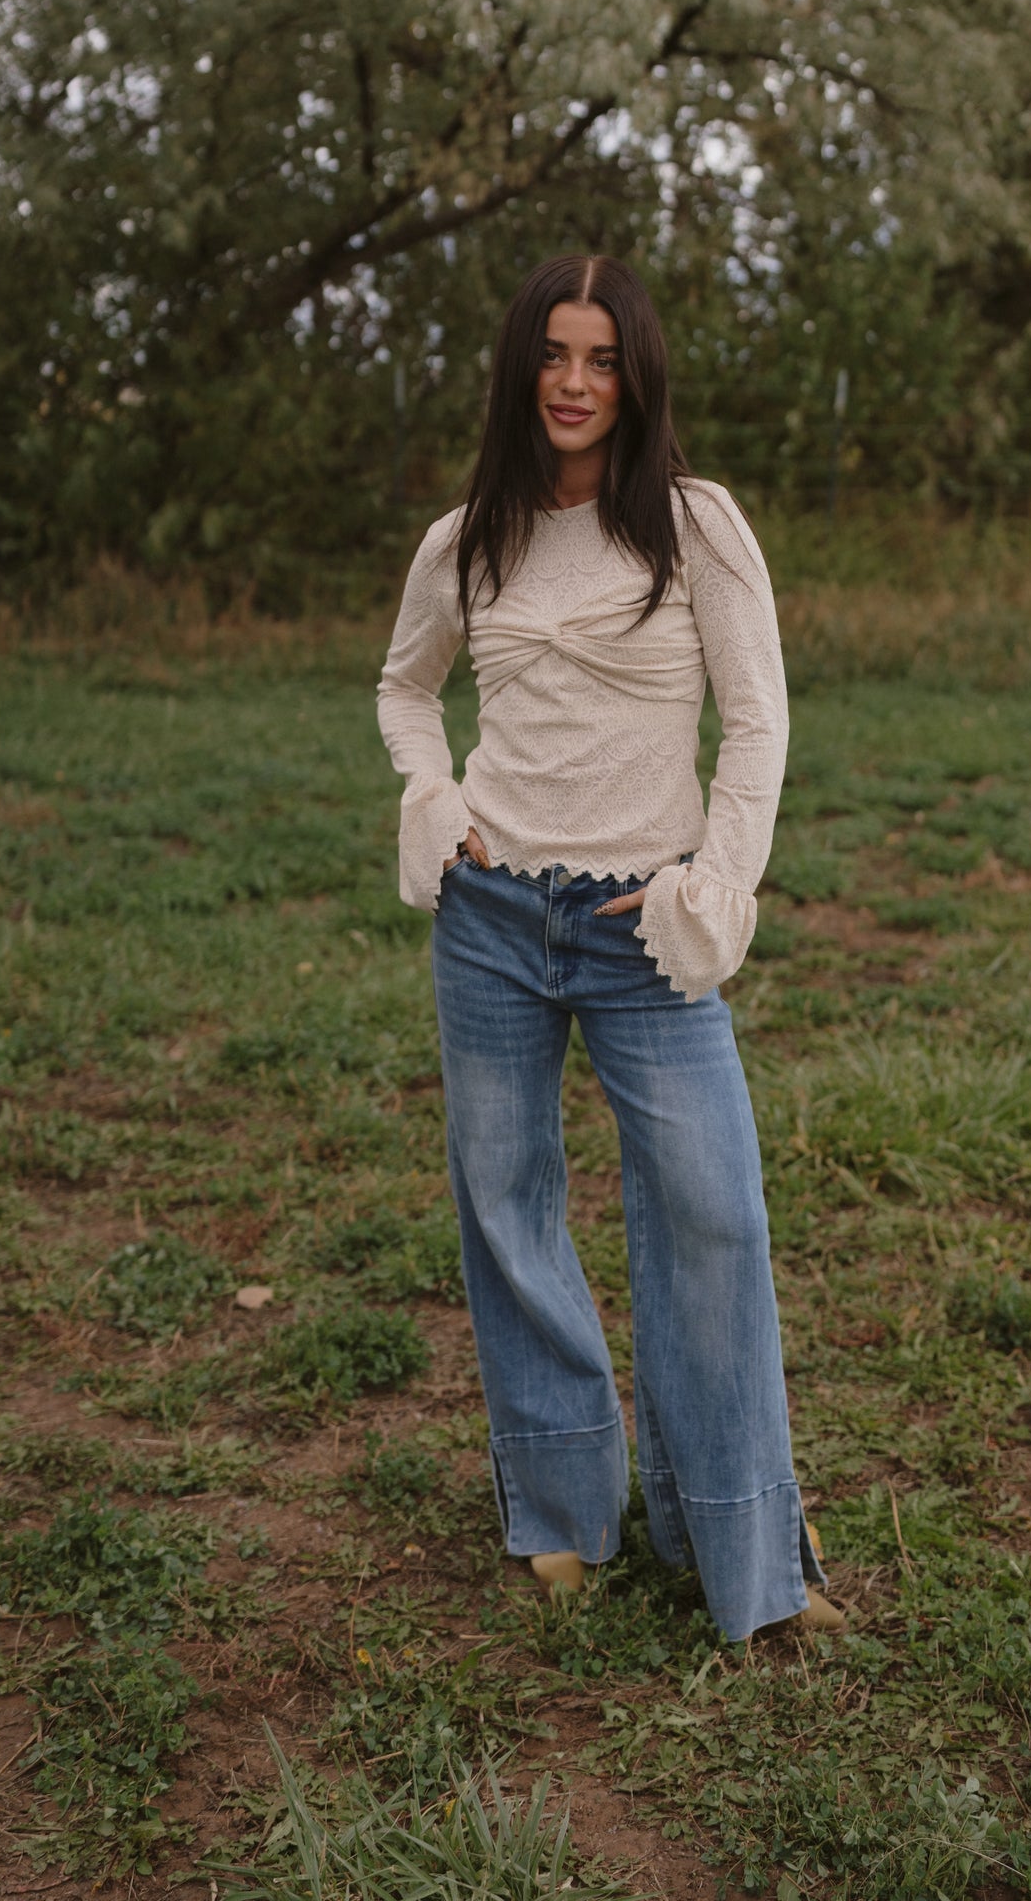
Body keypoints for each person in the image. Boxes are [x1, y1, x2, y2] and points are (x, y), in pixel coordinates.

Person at [376, 253, 840, 1642]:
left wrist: (719, 880)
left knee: (714, 1211)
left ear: (638, 375)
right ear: (523, 370)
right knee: (507, 1202)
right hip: (496, 918)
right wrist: (434, 796)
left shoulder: (698, 526)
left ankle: (747, 1547)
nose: (576, 384)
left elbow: (757, 725)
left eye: (602, 359)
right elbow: (406, 690)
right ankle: (565, 1509)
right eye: (554, 356)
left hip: (651, 926)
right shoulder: (469, 539)